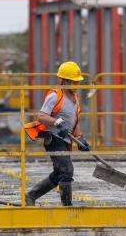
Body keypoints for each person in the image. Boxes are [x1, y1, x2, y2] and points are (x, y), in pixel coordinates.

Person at [23, 61, 89, 207]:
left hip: (66, 140)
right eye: (74, 82)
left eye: (77, 82)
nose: (77, 84)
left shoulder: (75, 98)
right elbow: (41, 116)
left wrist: (80, 138)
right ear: (65, 81)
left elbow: (74, 122)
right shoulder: (55, 96)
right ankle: (67, 207)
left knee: (58, 173)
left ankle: (31, 195)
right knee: (67, 170)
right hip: (54, 139)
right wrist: (57, 123)